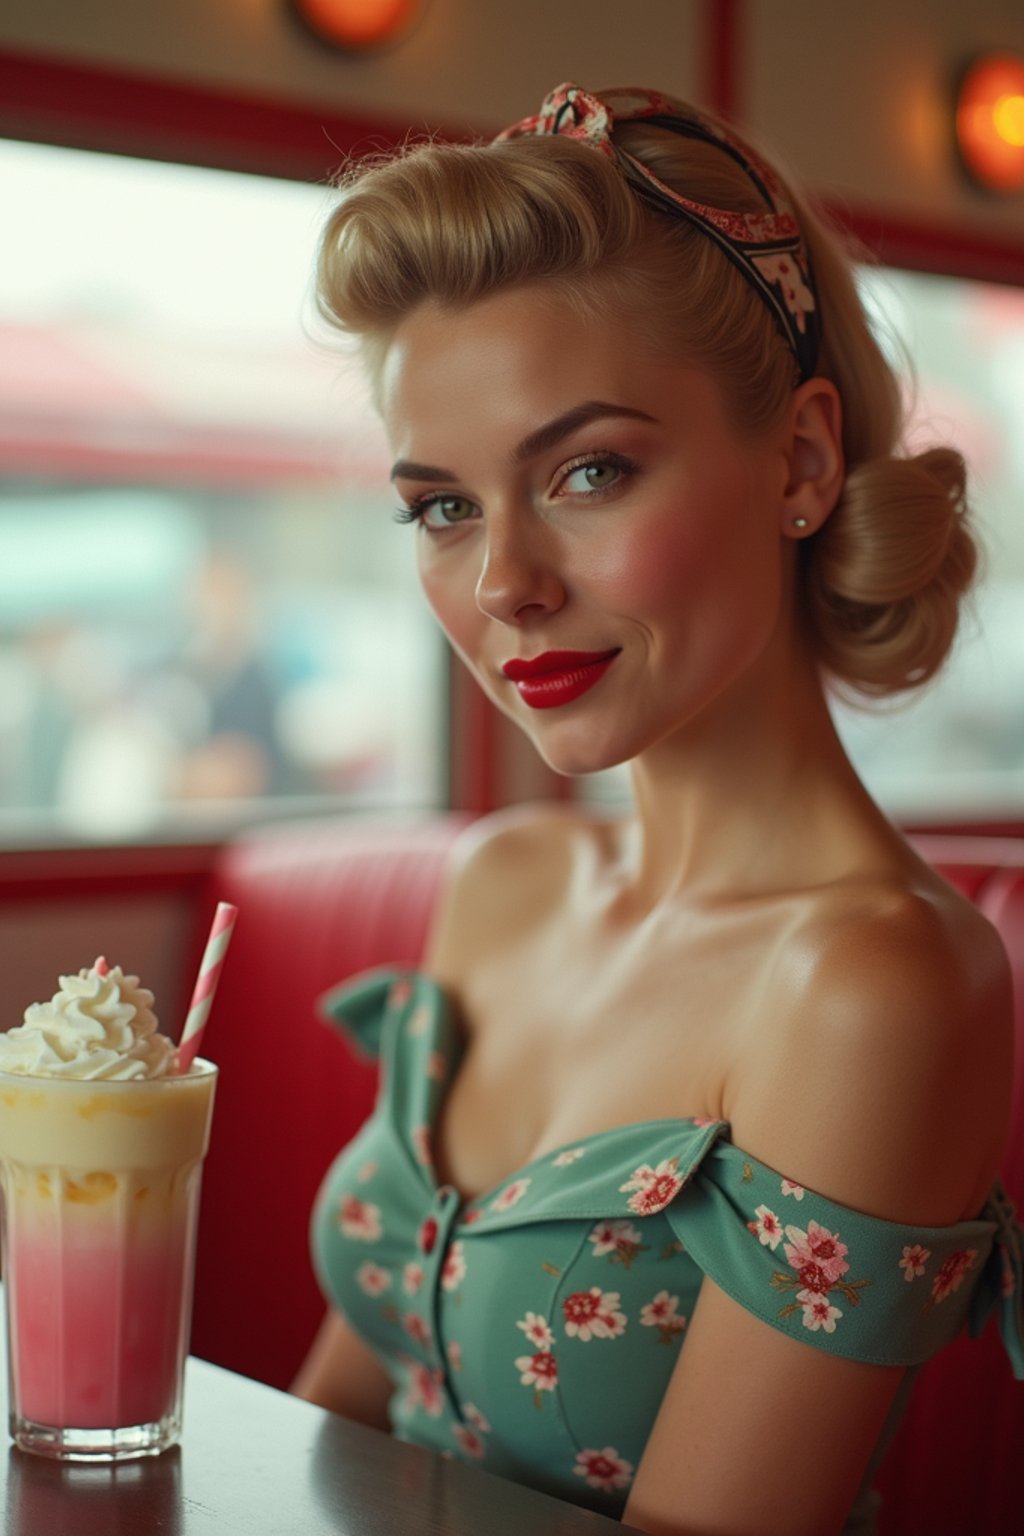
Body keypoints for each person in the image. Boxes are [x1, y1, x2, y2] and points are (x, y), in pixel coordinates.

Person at [291, 83, 1023, 1535]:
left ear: (802, 463)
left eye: (588, 471)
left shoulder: (874, 986)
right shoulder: (501, 883)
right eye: (442, 506)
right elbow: (324, 1431)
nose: (505, 583)